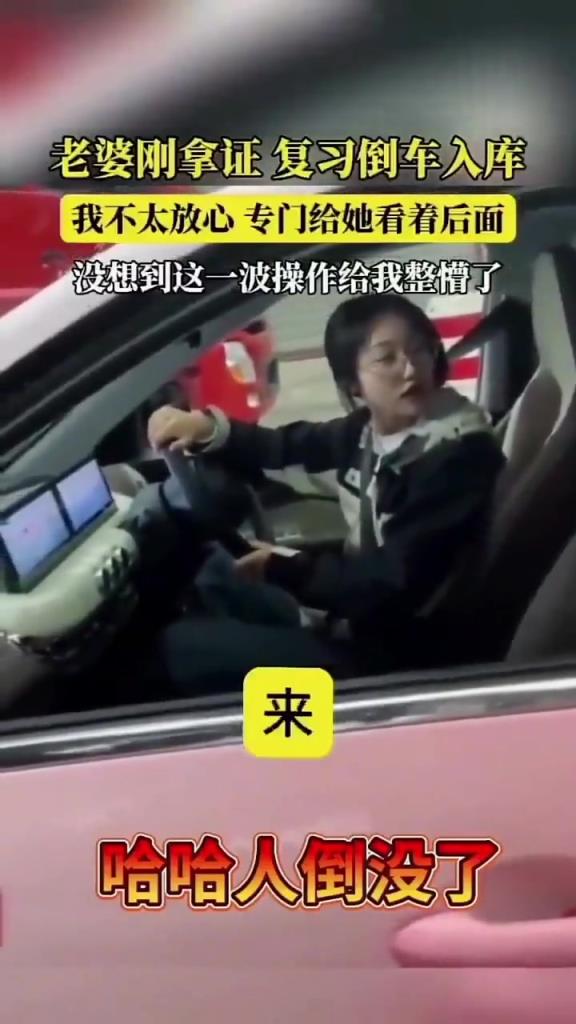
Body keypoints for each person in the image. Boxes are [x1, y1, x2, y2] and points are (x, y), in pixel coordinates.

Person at [145, 294, 505, 692]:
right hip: (358, 617)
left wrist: (285, 568)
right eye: (386, 358)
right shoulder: (373, 429)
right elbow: (288, 447)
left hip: (396, 658)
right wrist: (208, 430)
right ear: (353, 383)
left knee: (180, 648)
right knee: (216, 577)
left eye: (420, 349)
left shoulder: (455, 455)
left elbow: (390, 586)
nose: (410, 368)